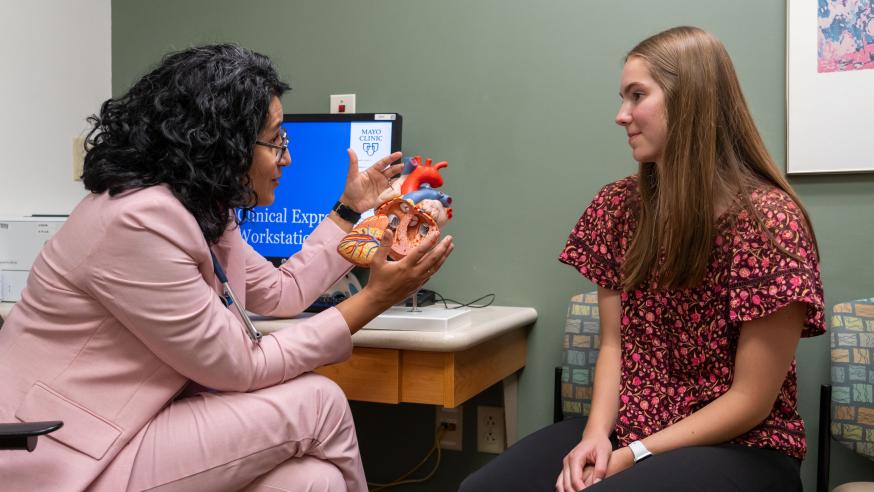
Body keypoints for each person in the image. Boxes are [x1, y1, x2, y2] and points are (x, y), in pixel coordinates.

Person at [0, 44, 453, 491]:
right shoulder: (137, 221)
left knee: (313, 480)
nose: (287, 158)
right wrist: (375, 299)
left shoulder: (204, 210)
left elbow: (282, 293)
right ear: (224, 143)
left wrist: (350, 211)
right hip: (56, 449)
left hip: (132, 426)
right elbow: (238, 367)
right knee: (319, 402)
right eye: (276, 141)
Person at [459, 26, 823, 492]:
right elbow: (615, 346)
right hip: (629, 427)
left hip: (744, 445)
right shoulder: (618, 207)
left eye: (637, 96)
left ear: (690, 100)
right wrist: (595, 436)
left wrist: (636, 454)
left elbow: (750, 400)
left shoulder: (769, 221)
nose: (621, 115)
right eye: (622, 97)